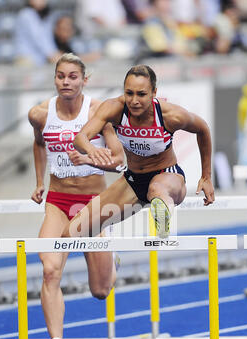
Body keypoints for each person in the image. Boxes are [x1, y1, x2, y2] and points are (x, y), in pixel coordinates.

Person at [28, 53, 125, 339]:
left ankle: (111, 263)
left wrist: (90, 158)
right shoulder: (40, 114)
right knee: (49, 269)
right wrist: (39, 181)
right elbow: (39, 144)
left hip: (92, 206)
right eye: (60, 76)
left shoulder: (98, 111)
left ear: (85, 79)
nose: (66, 82)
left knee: (100, 291)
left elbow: (119, 159)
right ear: (54, 78)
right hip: (57, 200)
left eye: (72, 76)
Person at [63, 64, 214, 246]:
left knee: (156, 190)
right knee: (69, 235)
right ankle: (110, 258)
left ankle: (163, 214)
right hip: (132, 180)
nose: (134, 100)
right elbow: (79, 139)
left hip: (167, 175)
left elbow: (203, 129)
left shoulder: (171, 115)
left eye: (141, 94)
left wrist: (206, 176)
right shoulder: (114, 108)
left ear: (154, 93)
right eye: (129, 93)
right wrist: (92, 149)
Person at [14, 0, 61, 66]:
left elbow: (48, 39)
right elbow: (38, 38)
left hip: (39, 60)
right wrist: (52, 54)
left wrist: (55, 53)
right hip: (26, 59)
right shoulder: (26, 14)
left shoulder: (45, 15)